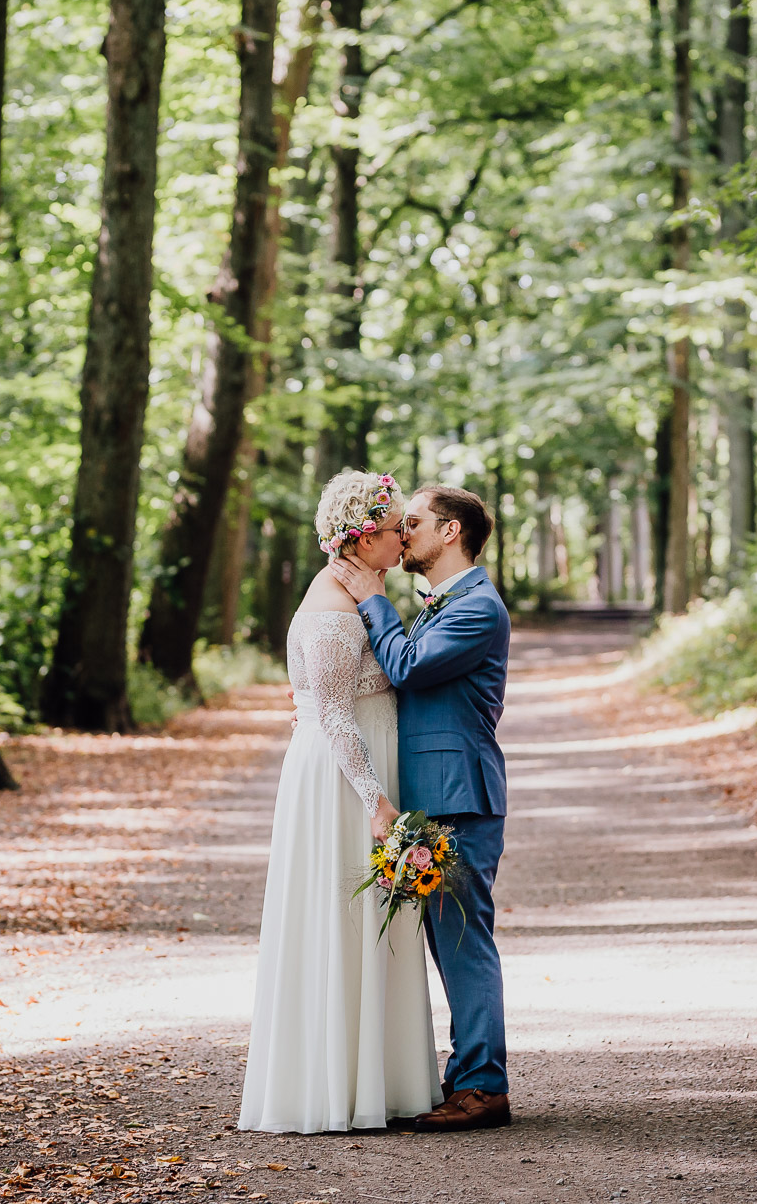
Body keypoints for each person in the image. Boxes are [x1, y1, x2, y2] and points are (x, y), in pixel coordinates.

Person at [237, 470, 440, 1133]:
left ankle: (384, 1079)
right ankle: (332, 1087)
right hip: (343, 783)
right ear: (359, 539)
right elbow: (331, 715)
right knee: (343, 921)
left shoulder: (368, 588)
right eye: (392, 528)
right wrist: (377, 802)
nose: (404, 537)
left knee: (380, 922)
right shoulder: (330, 604)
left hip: (367, 768)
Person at [329, 484, 513, 1133]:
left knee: (463, 942)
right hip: (435, 797)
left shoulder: (478, 610)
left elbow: (406, 668)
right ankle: (468, 1075)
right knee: (445, 941)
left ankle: (485, 1086)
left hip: (459, 797)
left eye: (414, 523)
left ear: (452, 531)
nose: (401, 534)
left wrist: (375, 601)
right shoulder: (444, 604)